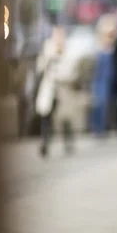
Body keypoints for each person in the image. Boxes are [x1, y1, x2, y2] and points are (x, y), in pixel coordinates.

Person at [35, 26, 75, 157]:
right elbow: (40, 68)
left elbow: (71, 72)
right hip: (49, 89)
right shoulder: (48, 49)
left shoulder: (68, 50)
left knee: (65, 118)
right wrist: (48, 59)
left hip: (63, 89)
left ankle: (68, 143)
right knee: (46, 117)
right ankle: (44, 143)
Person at [91, 13, 117, 137]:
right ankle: (100, 129)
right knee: (101, 104)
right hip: (102, 81)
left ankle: (115, 126)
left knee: (115, 105)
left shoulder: (115, 47)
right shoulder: (99, 47)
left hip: (114, 81)